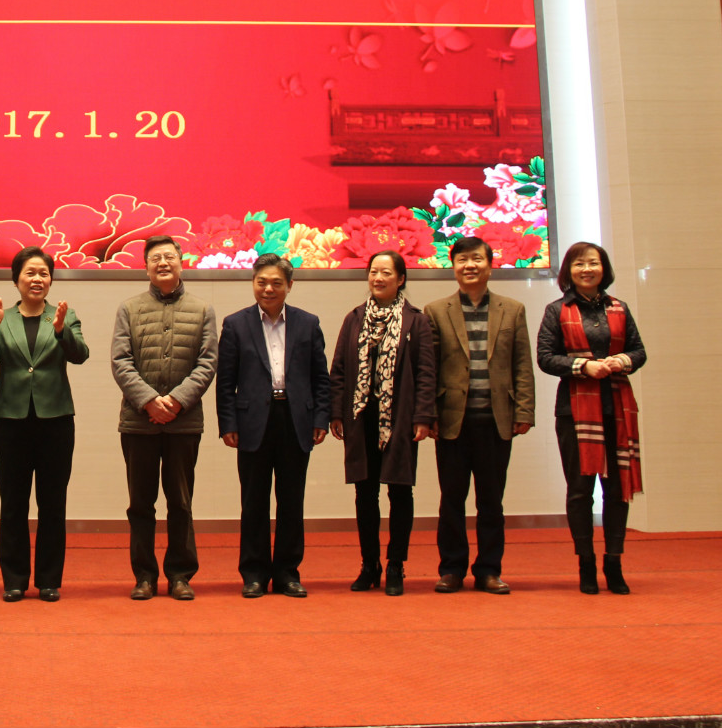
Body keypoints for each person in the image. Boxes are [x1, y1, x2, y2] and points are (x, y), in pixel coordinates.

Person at [0, 246, 89, 603]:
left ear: (50, 280)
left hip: (56, 422)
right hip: (11, 422)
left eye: (43, 273)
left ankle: (49, 580)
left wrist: (61, 331)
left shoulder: (64, 315)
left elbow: (80, 355)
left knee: (53, 504)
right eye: (30, 273)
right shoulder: (2, 316)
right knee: (13, 503)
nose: (37, 279)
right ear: (16, 280)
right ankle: (14, 580)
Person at [215, 253, 329, 599]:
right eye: (261, 282)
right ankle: (254, 574)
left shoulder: (308, 323)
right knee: (253, 502)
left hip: (296, 419)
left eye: (276, 283)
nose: (268, 288)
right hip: (252, 422)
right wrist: (228, 423)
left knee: (292, 501)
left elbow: (320, 378)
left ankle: (287, 574)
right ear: (253, 284)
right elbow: (226, 382)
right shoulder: (236, 324)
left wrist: (320, 418)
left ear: (289, 286)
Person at [424, 236, 535, 595]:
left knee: (491, 501)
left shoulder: (512, 309)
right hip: (452, 420)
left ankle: (489, 569)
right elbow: (429, 369)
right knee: (451, 500)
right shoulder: (435, 311)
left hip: (496, 418)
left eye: (476, 259)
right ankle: (451, 569)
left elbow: (522, 364)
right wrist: (428, 414)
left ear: (490, 265)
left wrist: (524, 410)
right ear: (453, 267)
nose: (469, 266)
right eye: (462, 260)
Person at [536, 240, 647, 595]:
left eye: (593, 263)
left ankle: (613, 562)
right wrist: (584, 366)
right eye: (579, 264)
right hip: (574, 411)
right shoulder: (557, 310)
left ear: (604, 269)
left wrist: (621, 361)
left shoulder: (619, 308)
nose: (587, 269)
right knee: (580, 491)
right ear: (568, 271)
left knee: (616, 490)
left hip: (616, 409)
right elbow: (545, 357)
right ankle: (585, 563)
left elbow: (639, 350)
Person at [111, 235, 217, 601]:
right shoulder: (129, 308)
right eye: (155, 258)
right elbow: (121, 362)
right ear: (146, 268)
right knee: (140, 504)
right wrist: (149, 402)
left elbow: (207, 363)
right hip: (138, 422)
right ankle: (144, 576)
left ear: (181, 263)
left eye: (169, 256)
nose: (163, 263)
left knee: (181, 502)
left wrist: (175, 401)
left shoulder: (202, 309)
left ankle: (180, 575)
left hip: (183, 423)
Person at [328, 249, 435, 597]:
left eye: (386, 272)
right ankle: (369, 564)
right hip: (361, 418)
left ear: (401, 279)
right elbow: (339, 371)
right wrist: (336, 413)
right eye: (374, 271)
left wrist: (423, 417)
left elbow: (426, 373)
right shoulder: (355, 318)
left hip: (400, 418)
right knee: (365, 493)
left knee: (400, 491)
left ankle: (396, 565)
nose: (378, 278)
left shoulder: (416, 321)